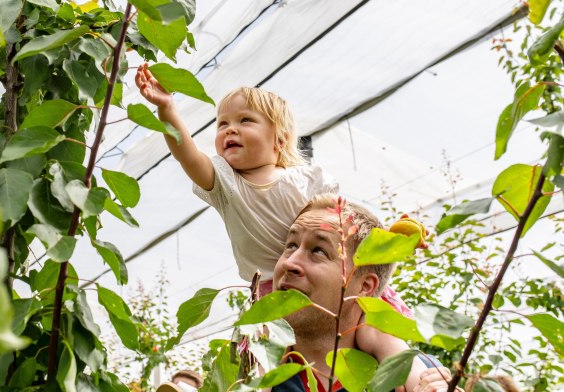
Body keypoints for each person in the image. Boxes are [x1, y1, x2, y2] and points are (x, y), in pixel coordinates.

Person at [136, 65, 413, 368]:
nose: (230, 129)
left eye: (245, 121)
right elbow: (187, 154)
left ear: (279, 141)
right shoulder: (227, 184)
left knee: (375, 336)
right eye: (222, 123)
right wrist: (167, 110)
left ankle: (420, 381)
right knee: (277, 361)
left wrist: (387, 241)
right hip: (275, 286)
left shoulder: (306, 178)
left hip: (329, 283)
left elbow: (344, 223)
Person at [270, 194, 459, 392]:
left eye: (318, 251)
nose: (289, 263)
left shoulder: (418, 377)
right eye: (291, 245)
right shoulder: (250, 374)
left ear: (365, 287)